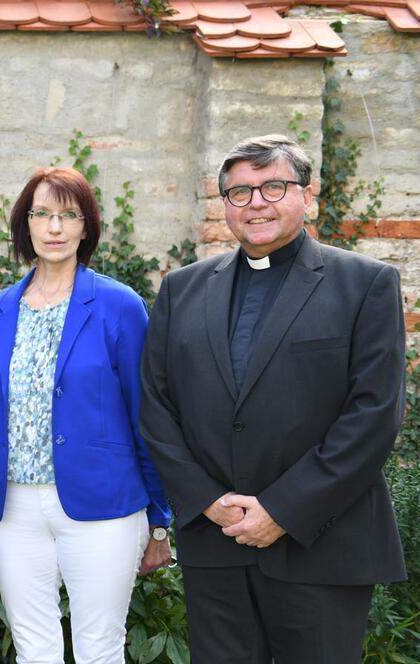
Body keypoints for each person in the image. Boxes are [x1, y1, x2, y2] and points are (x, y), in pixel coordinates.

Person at [140, 134, 407, 664]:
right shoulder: (182, 290)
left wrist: (282, 510)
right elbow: (157, 406)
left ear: (306, 196)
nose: (256, 202)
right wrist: (209, 502)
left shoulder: (365, 283)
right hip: (217, 546)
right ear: (225, 207)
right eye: (240, 193)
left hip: (322, 542)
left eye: (274, 187)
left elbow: (374, 414)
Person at [0, 167, 172, 663]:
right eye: (42, 214)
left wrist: (161, 520)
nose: (54, 228)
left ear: (86, 227)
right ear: (25, 224)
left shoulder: (119, 306)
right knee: (34, 650)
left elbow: (146, 414)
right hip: (13, 508)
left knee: (99, 649)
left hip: (104, 505)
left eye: (68, 215)